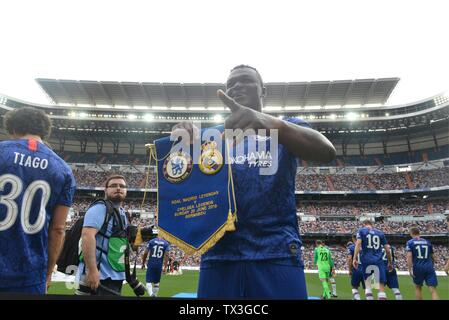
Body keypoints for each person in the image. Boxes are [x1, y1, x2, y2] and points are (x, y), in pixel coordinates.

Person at [172, 65, 336, 299]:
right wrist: (182, 143)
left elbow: (326, 151)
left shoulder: (285, 126)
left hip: (276, 252)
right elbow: (188, 186)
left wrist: (271, 123)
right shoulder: (212, 139)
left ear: (263, 90)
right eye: (231, 84)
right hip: (220, 254)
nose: (236, 86)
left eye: (245, 80)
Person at [0, 107, 76, 294]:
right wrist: (48, 273)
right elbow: (58, 230)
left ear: (13, 129)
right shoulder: (63, 170)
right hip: (30, 275)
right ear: (44, 131)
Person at [75, 175, 129, 296]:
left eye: (122, 186)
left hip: (114, 274)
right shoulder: (100, 208)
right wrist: (92, 271)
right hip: (100, 275)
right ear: (105, 190)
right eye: (113, 185)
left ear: (126, 190)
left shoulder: (122, 213)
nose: (118, 188)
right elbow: (87, 236)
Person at [353, 219, 392, 300]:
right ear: (372, 224)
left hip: (366, 260)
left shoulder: (361, 231)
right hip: (378, 261)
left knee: (368, 284)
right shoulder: (380, 233)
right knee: (380, 286)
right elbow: (387, 250)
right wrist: (390, 262)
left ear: (364, 224)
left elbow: (358, 243)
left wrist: (355, 258)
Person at [406, 226, 439, 300]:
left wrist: (409, 269)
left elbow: (409, 256)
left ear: (411, 233)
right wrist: (432, 265)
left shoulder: (410, 242)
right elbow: (433, 256)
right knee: (433, 290)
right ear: (419, 233)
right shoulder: (427, 242)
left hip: (417, 267)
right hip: (429, 266)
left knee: (418, 288)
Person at [347, 235, 365, 300]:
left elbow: (349, 259)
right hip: (366, 269)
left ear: (353, 238)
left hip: (356, 269)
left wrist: (349, 270)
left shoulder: (351, 247)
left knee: (354, 286)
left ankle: (357, 298)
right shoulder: (365, 246)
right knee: (367, 288)